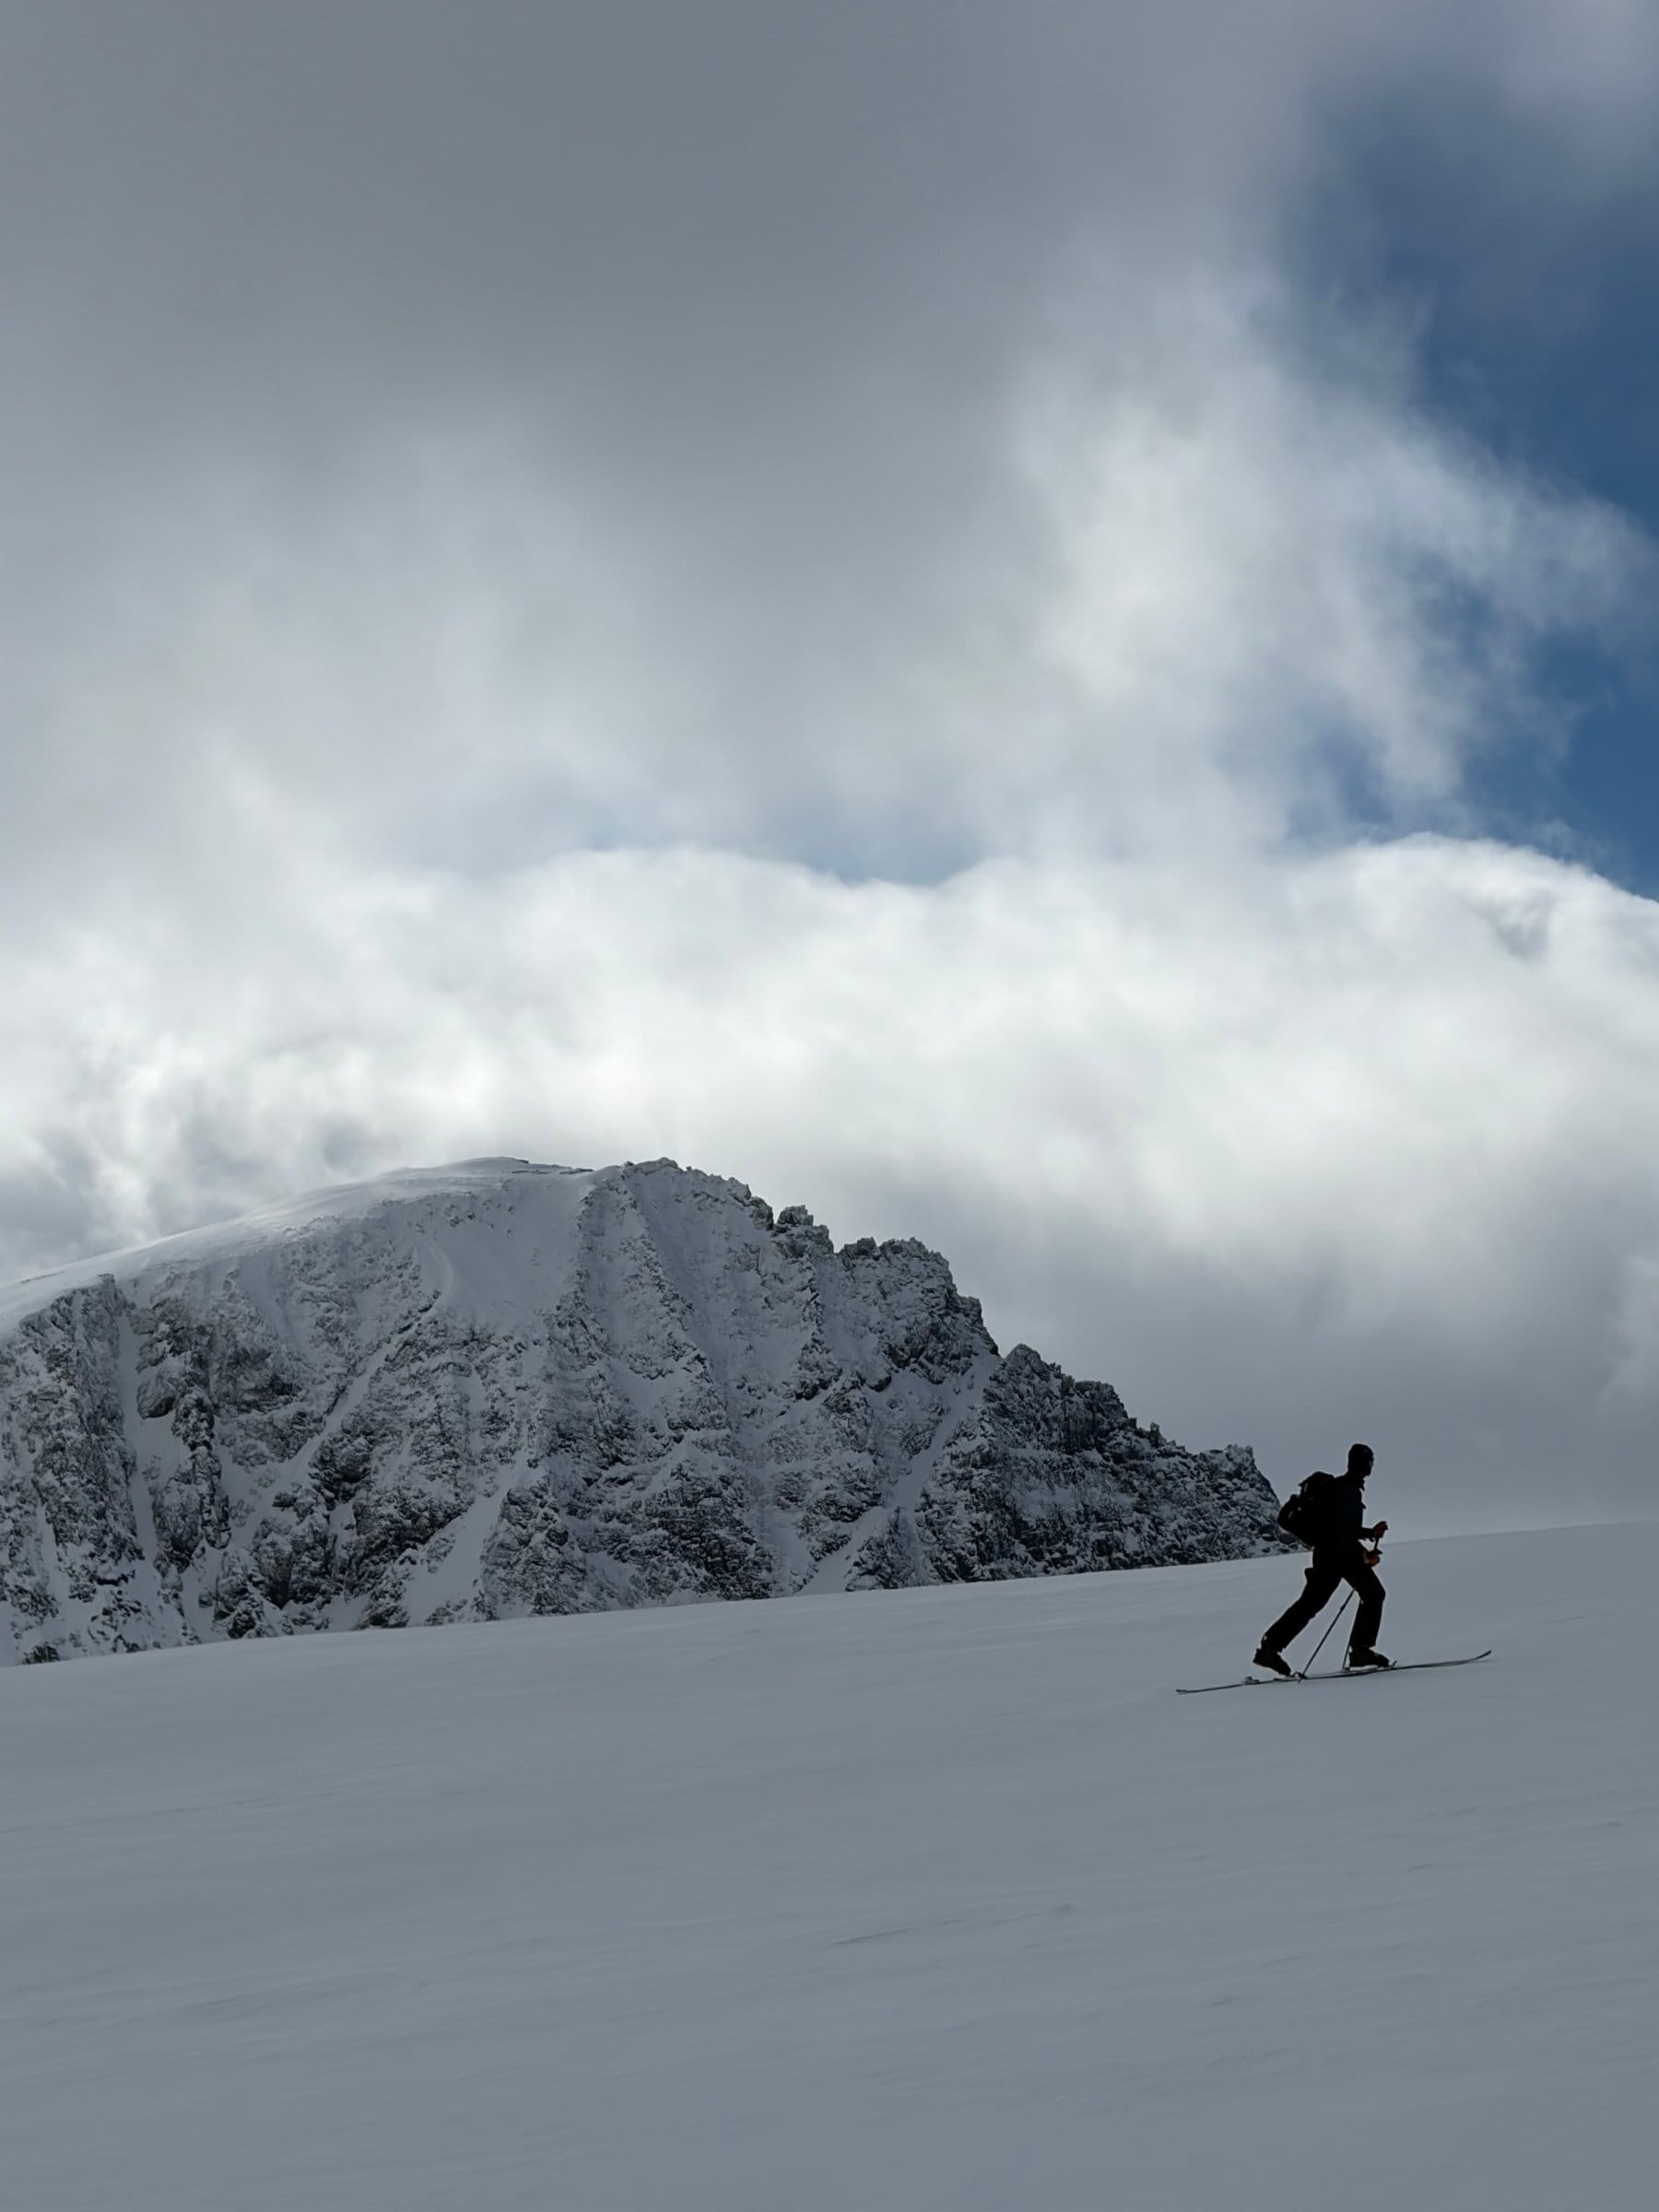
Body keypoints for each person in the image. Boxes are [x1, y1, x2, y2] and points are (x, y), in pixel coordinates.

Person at [1254, 1442, 1390, 1675]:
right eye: (1370, 1461)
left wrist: (1368, 1534)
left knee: (1311, 1604)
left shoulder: (1340, 1488)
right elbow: (1343, 1532)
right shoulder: (1349, 1490)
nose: (1371, 1466)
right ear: (1363, 1463)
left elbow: (1342, 1528)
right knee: (1373, 1593)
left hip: (1328, 1554)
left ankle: (1269, 1648)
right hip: (1339, 1555)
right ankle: (1360, 1650)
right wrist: (1364, 1555)